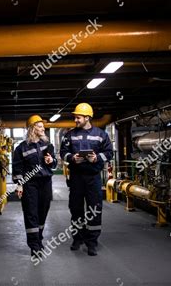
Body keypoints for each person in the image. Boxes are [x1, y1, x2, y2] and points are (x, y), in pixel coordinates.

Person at [59, 103, 113, 256]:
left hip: (93, 177)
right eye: (75, 117)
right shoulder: (69, 135)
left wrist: (97, 158)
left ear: (87, 117)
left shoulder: (101, 134)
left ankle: (92, 242)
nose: (75, 120)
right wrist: (71, 157)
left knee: (94, 209)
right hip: (76, 177)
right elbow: (63, 152)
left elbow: (109, 153)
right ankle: (77, 238)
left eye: (78, 117)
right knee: (75, 208)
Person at [12, 115, 57, 257]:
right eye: (39, 126)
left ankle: (39, 238)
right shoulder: (21, 148)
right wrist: (19, 185)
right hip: (30, 184)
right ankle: (34, 246)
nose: (43, 128)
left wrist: (51, 161)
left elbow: (54, 164)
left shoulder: (47, 145)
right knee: (31, 213)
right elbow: (17, 169)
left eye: (43, 126)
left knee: (43, 212)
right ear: (32, 129)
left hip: (45, 182)